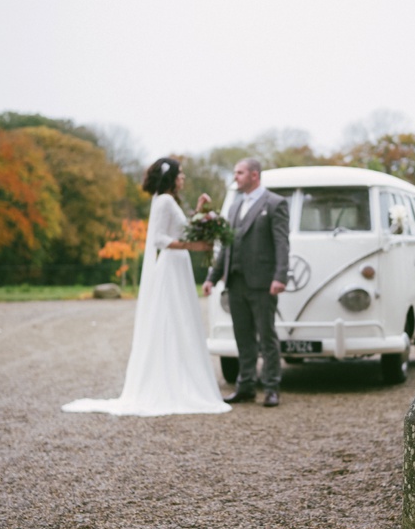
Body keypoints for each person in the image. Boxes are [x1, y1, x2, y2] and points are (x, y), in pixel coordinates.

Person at [62, 157, 231, 417]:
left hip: (178, 265)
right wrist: (194, 247)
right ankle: (172, 384)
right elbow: (161, 238)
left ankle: (182, 376)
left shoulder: (169, 201)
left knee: (181, 320)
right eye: (180, 174)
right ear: (171, 178)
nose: (183, 177)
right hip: (172, 266)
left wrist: (198, 212)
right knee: (172, 321)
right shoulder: (164, 201)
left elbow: (180, 229)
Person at [203, 158, 289, 407]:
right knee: (243, 337)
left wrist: (279, 276)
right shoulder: (234, 206)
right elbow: (227, 247)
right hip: (236, 282)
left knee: (267, 337)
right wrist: (212, 277)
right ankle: (246, 386)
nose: (235, 177)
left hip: (263, 283)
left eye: (239, 173)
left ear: (254, 175)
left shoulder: (275, 203)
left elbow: (282, 243)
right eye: (235, 172)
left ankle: (272, 388)